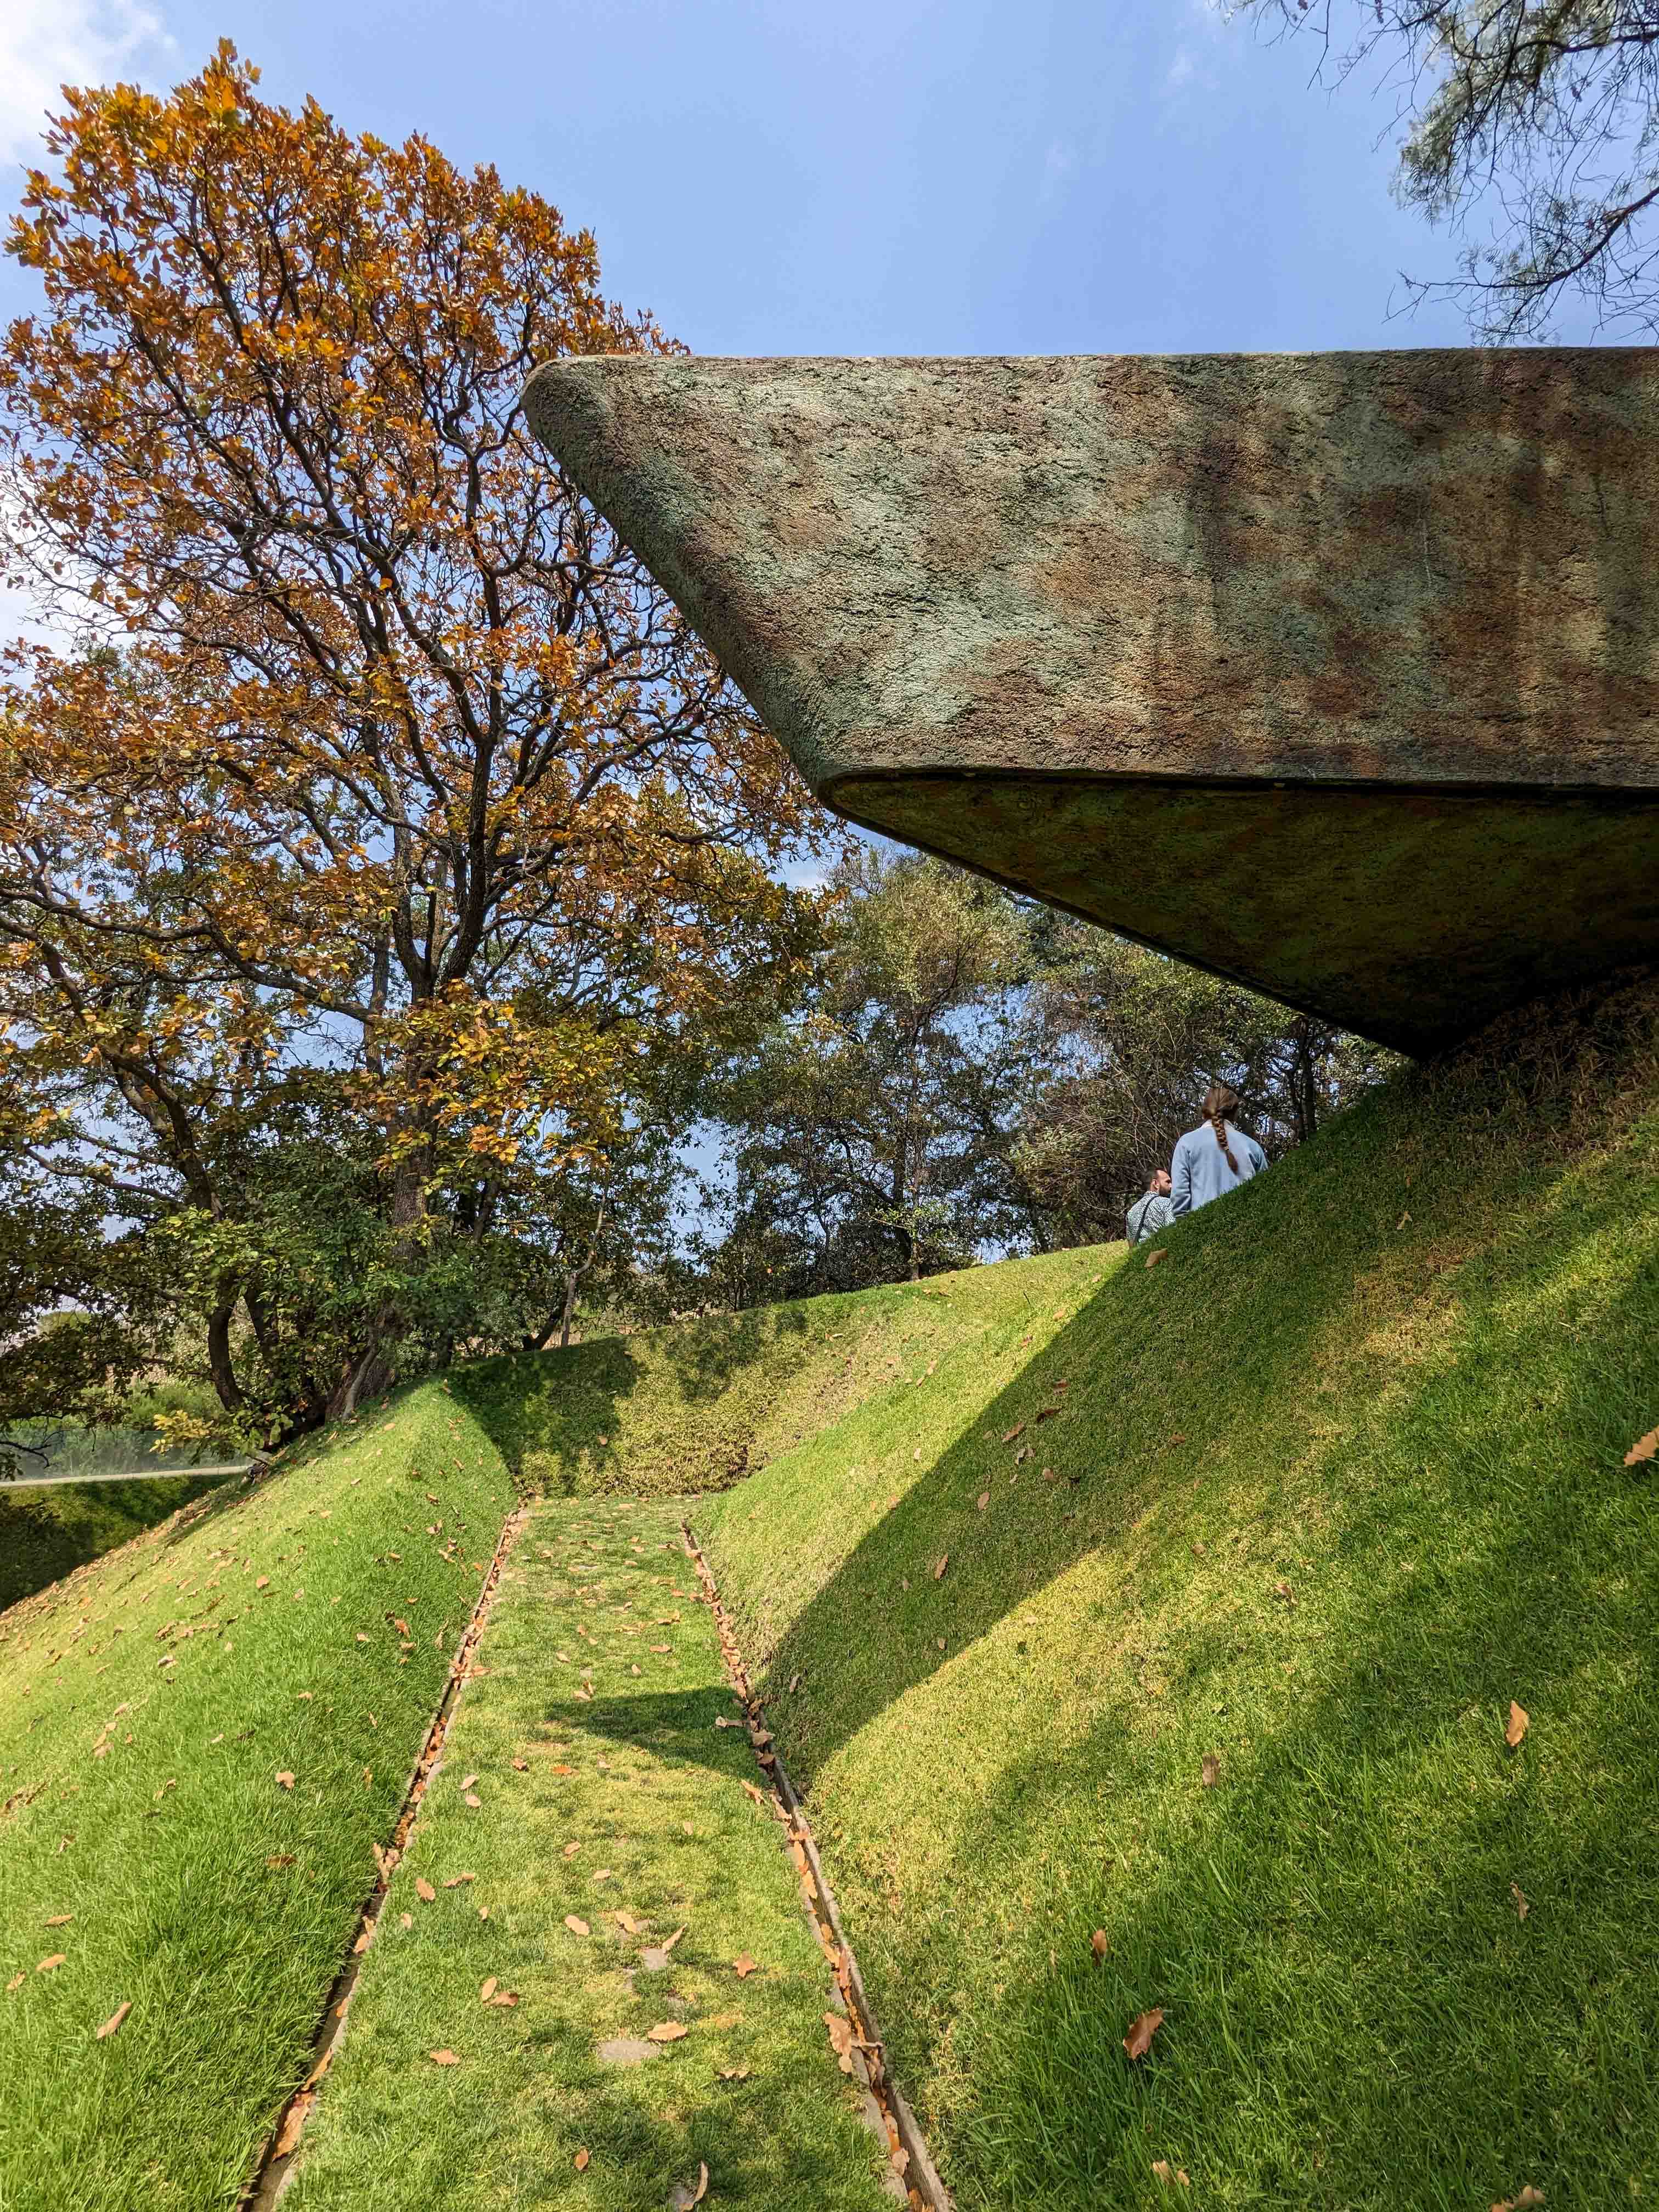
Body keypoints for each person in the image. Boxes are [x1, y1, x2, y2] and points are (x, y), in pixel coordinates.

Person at [1170, 1084, 1267, 1217]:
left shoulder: (1187, 1143)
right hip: (1247, 1227)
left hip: (1201, 1229)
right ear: (1235, 1113)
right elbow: (1266, 1194)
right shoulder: (1252, 1147)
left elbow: (1180, 1197)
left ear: (1205, 1112)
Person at [1126, 1167, 1173, 1246]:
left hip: (1141, 1258)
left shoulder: (1131, 1212)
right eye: (1168, 1182)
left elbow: (1131, 1248)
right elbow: (1173, 1237)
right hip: (1160, 1257)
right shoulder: (1167, 1204)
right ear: (1155, 1184)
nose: (1171, 1186)